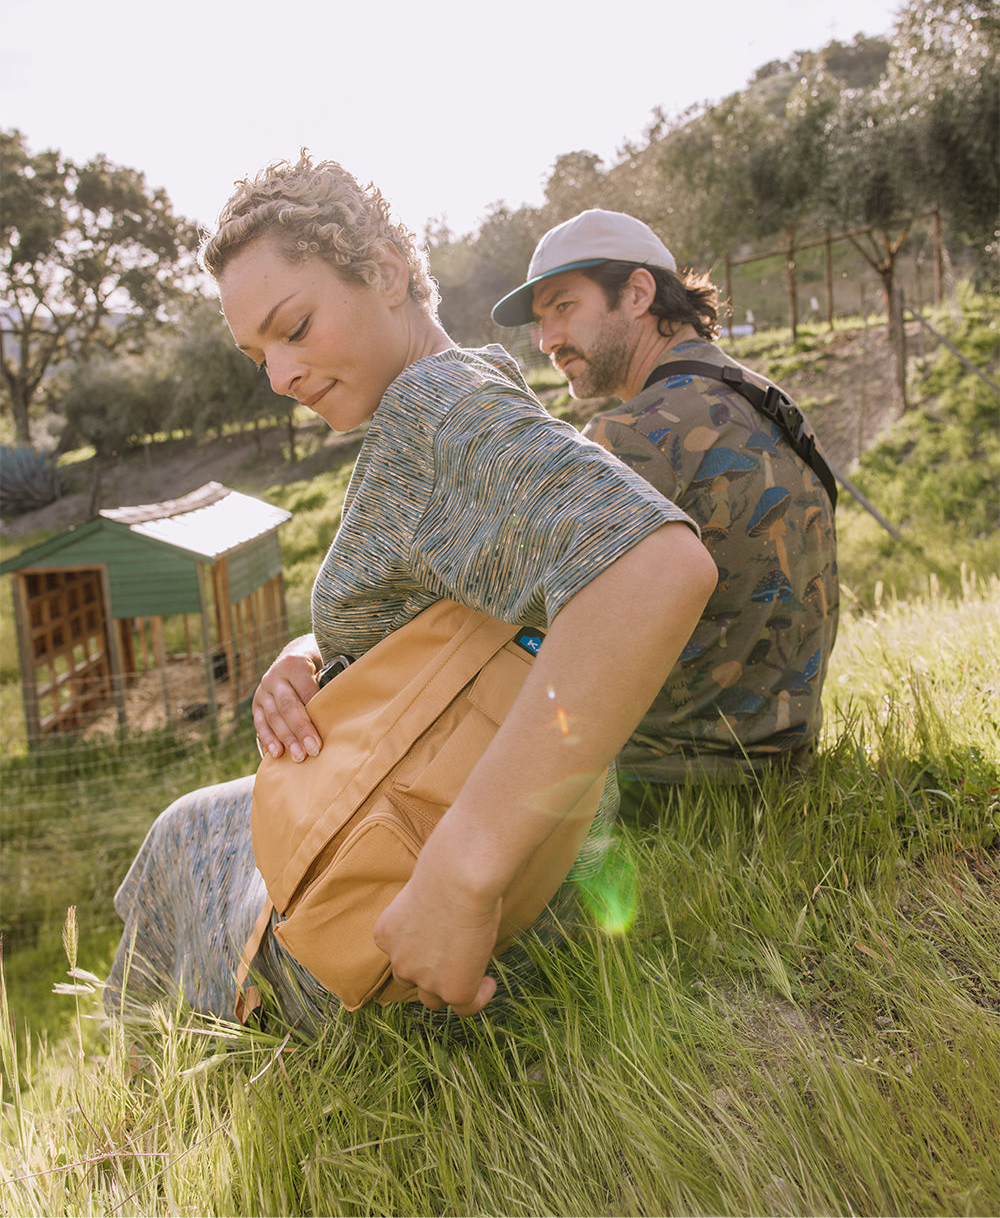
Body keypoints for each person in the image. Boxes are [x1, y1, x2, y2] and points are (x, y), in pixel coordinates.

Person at [104, 158, 716, 1031]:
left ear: (389, 273)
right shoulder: (462, 392)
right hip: (422, 843)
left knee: (179, 841)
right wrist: (314, 654)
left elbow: (656, 569)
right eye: (259, 356)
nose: (279, 375)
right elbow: (464, 617)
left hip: (396, 917)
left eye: (295, 328)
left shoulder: (440, 411)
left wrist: (462, 871)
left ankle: (154, 1085)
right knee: (187, 825)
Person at [491, 208, 839, 807]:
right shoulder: (769, 401)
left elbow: (520, 614)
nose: (547, 340)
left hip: (669, 784)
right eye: (541, 320)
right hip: (787, 762)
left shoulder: (629, 435)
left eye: (564, 307)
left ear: (637, 293)